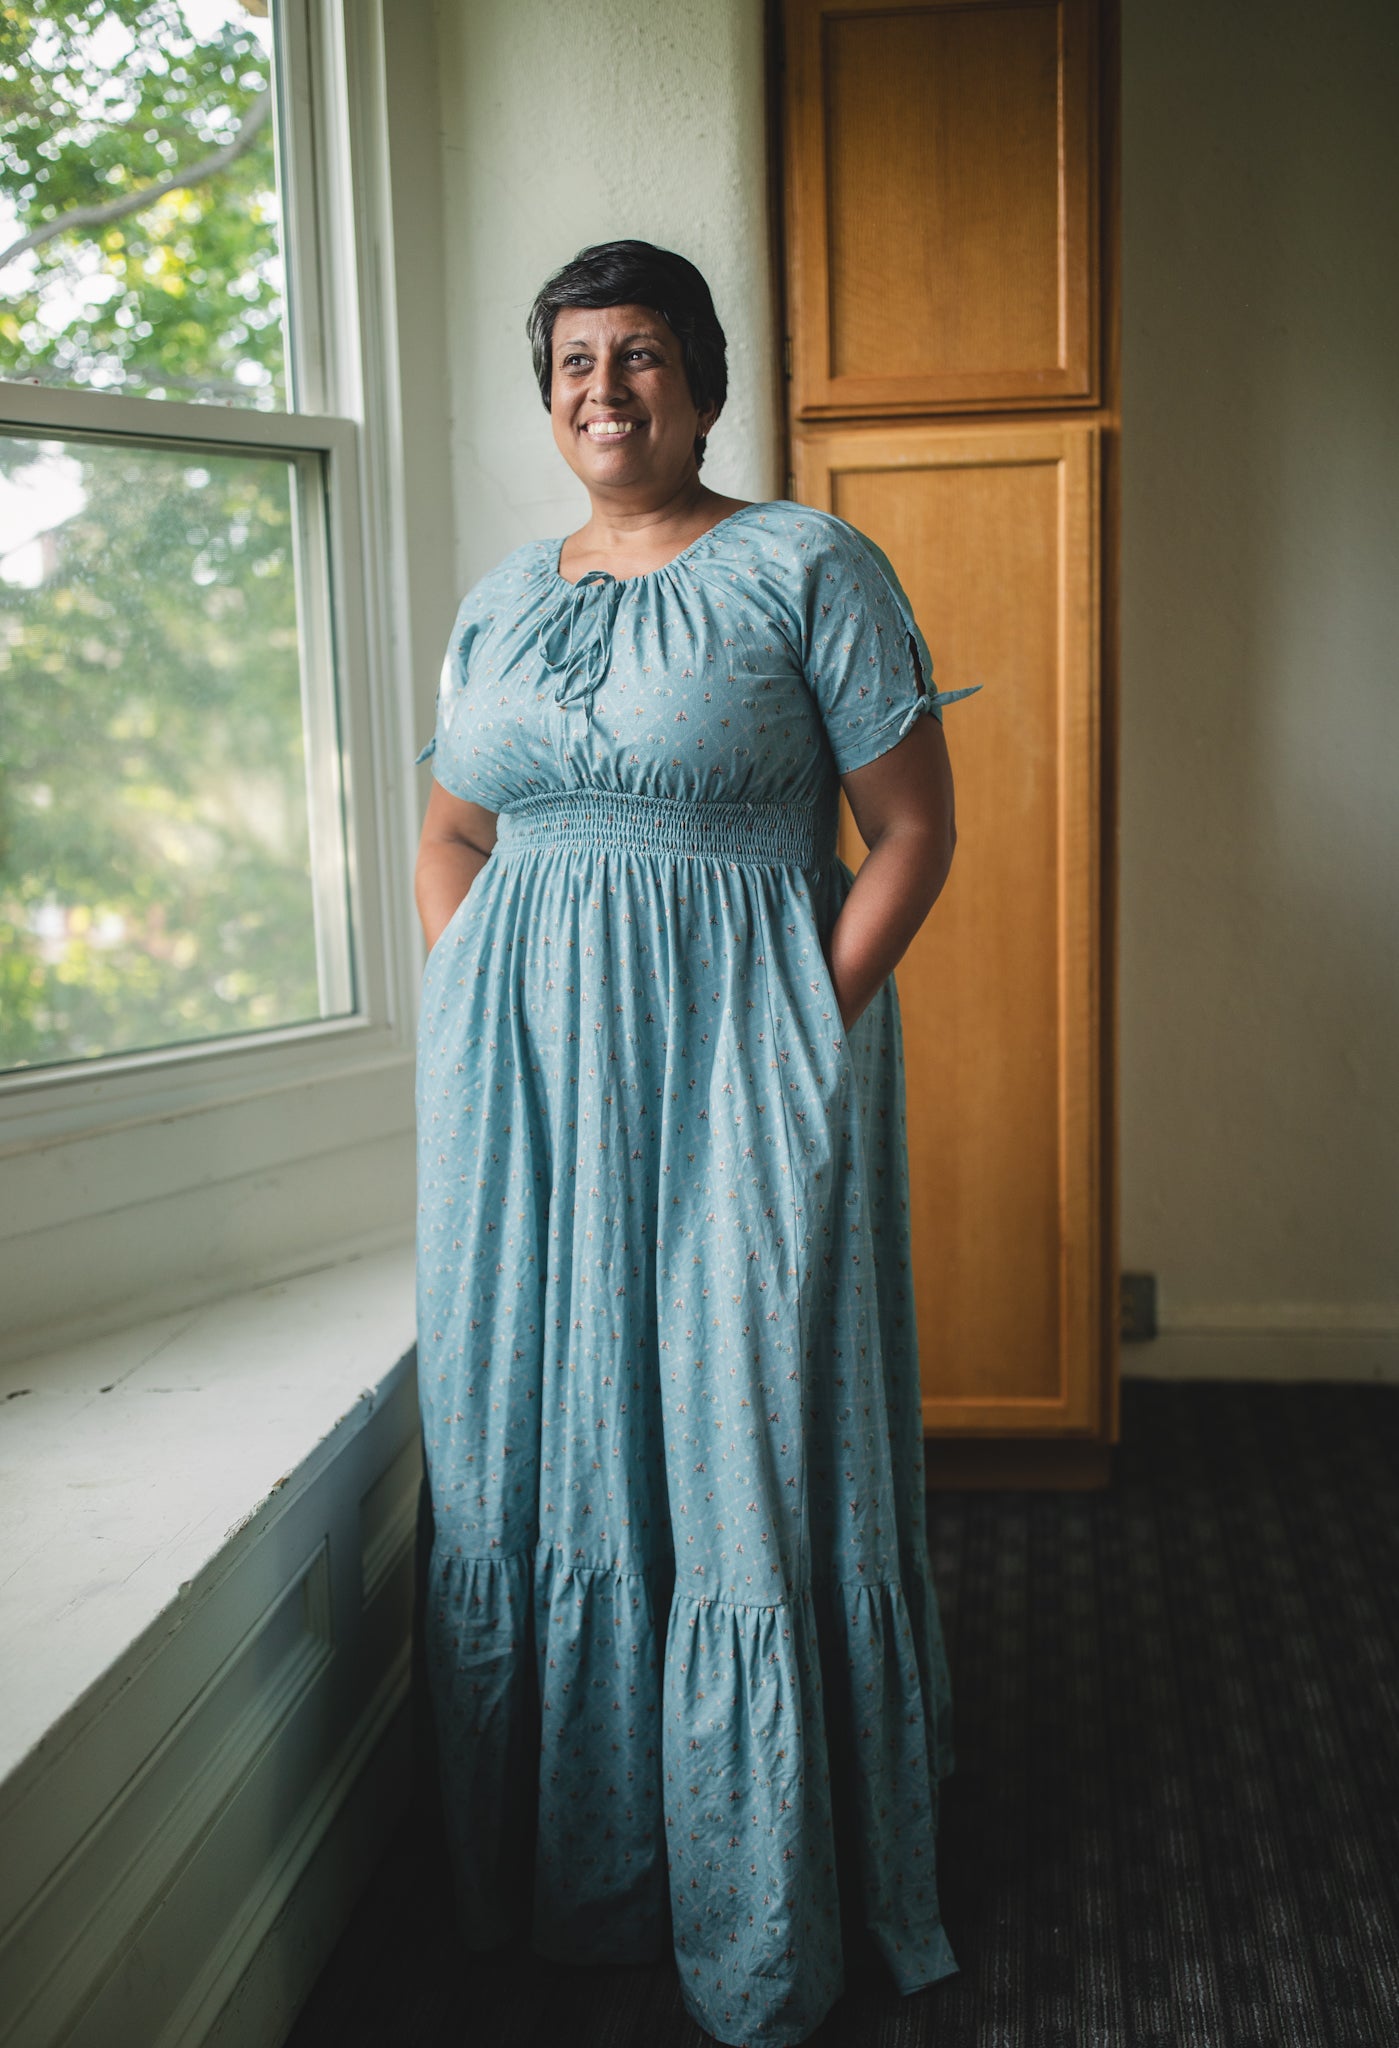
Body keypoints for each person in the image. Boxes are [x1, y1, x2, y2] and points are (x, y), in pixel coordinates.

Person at [413, 238, 981, 2048]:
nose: (604, 389)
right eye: (574, 360)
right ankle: (581, 1871)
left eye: (641, 355)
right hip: (527, 1103)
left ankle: (768, 1891)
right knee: (551, 1433)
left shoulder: (807, 564)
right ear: (548, 392)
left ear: (706, 380)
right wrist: (483, 1013)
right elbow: (450, 836)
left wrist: (804, 1024)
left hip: (745, 1063)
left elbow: (907, 831)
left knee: (745, 1433)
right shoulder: (503, 598)